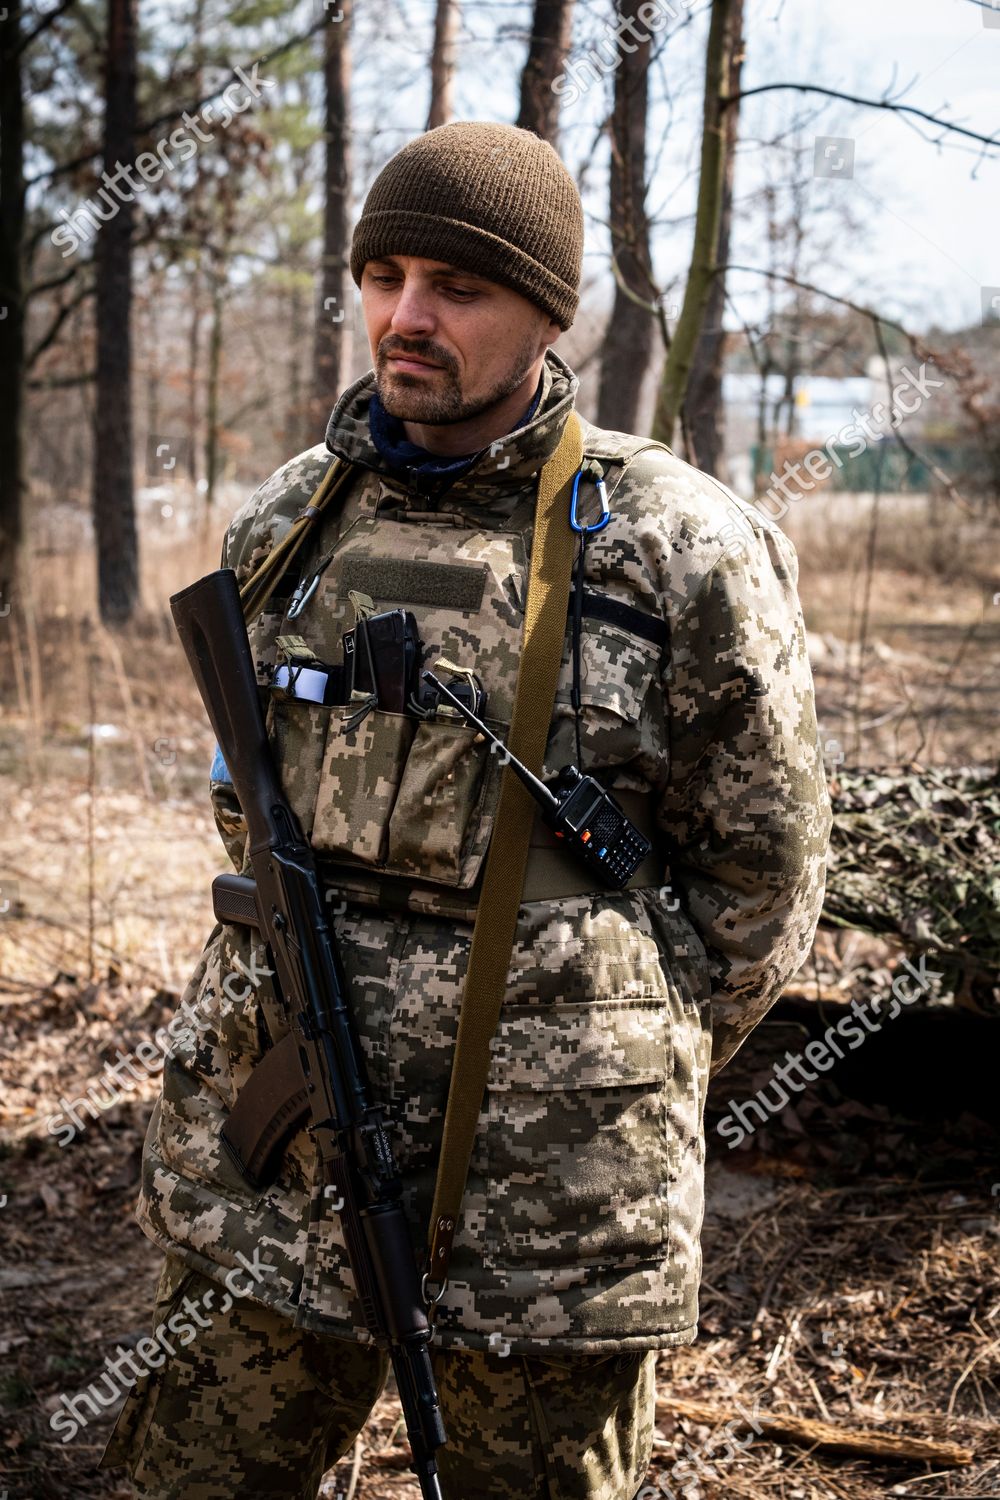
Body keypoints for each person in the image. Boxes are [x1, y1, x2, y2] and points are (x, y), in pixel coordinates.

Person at [99, 120, 831, 1499]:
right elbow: (243, 808)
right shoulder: (289, 521)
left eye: (458, 286)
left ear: (549, 313)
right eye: (383, 275)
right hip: (274, 1162)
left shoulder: (682, 546)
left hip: (556, 1208)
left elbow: (762, 887)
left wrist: (591, 1046)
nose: (405, 317)